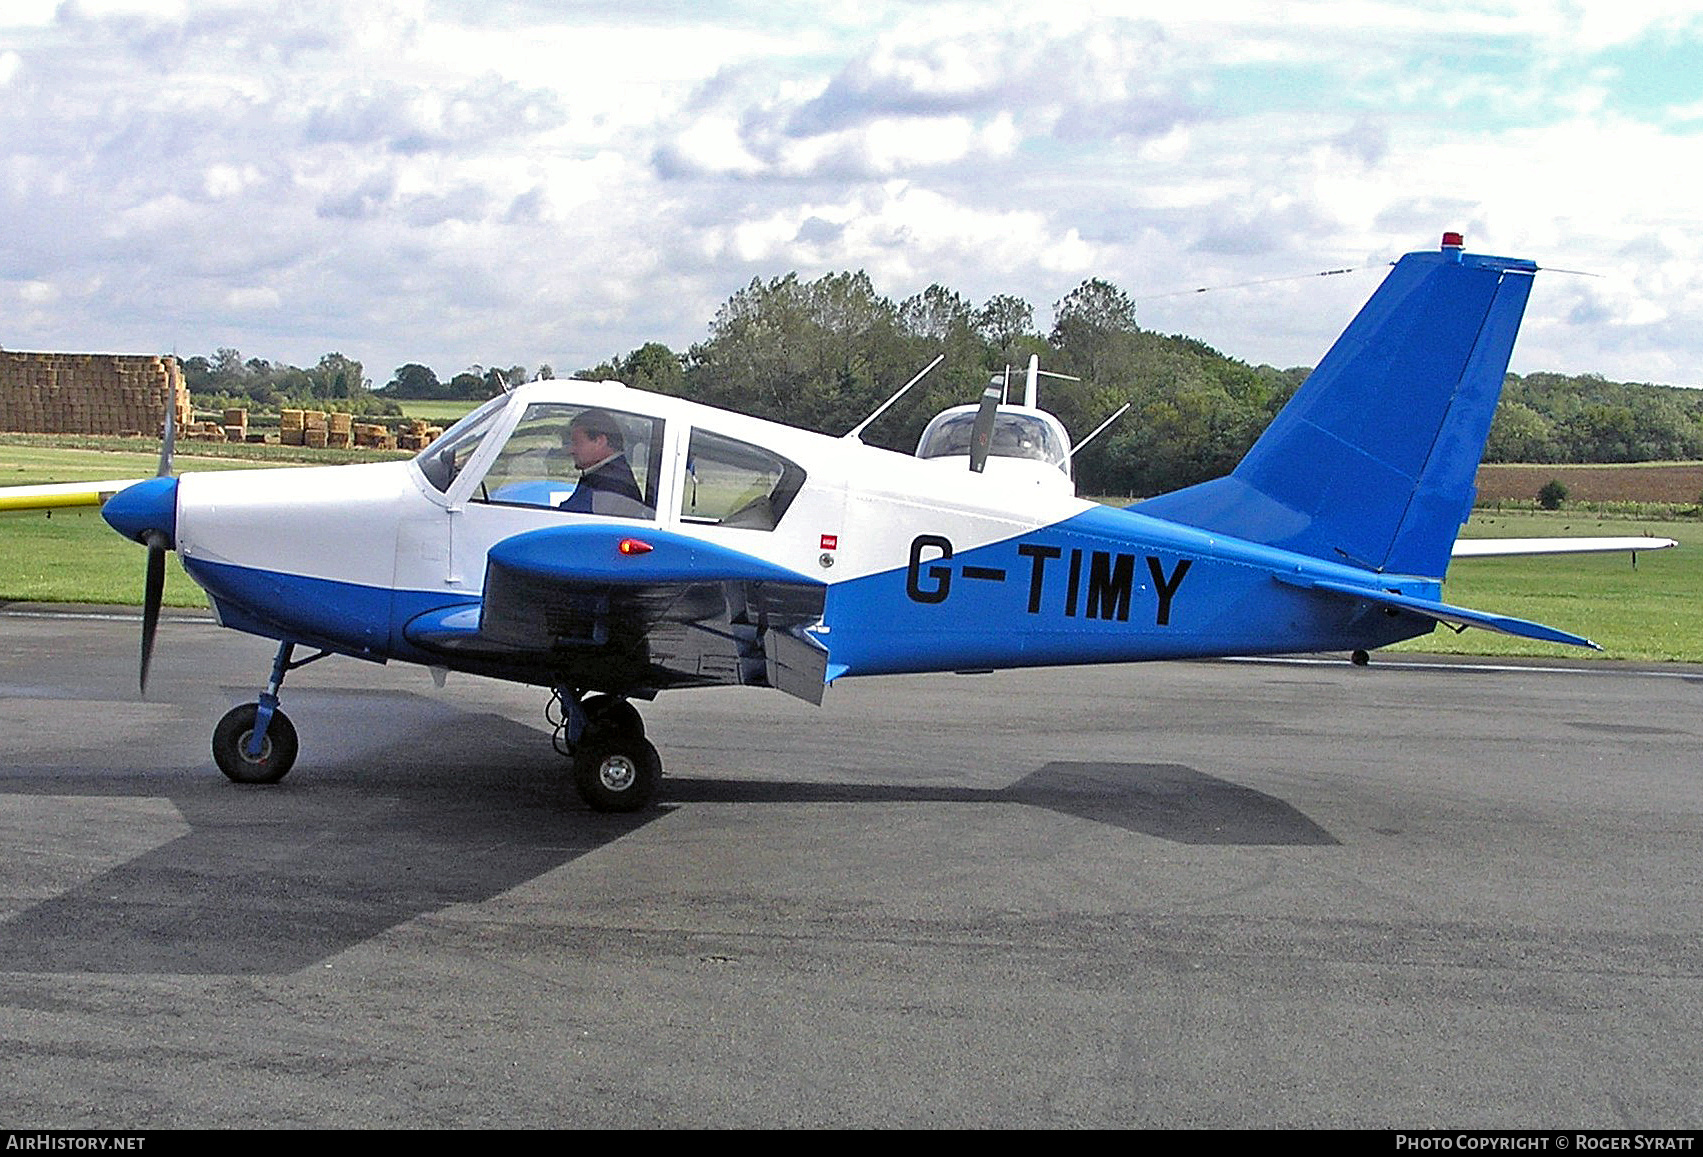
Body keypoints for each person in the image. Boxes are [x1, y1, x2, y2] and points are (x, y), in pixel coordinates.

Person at [559, 408, 647, 516]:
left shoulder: (610, 484)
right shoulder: (606, 476)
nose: (571, 450)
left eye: (576, 442)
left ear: (599, 441)